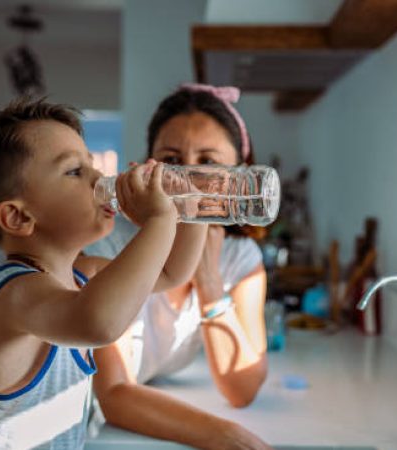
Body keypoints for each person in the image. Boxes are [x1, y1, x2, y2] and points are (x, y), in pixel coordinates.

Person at [0, 97, 208, 449]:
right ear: (19, 217)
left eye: (91, 163)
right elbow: (100, 324)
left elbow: (172, 272)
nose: (99, 177)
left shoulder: (82, 273)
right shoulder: (15, 294)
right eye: (74, 171)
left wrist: (194, 204)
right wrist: (158, 222)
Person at [82, 84, 272, 450]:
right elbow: (113, 394)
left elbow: (242, 389)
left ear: (239, 175)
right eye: (171, 160)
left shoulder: (240, 257)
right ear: (148, 165)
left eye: (208, 163)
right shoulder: (107, 244)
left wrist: (208, 278)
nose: (189, 179)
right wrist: (226, 435)